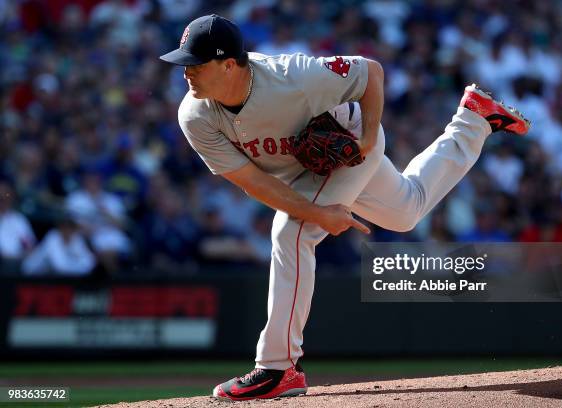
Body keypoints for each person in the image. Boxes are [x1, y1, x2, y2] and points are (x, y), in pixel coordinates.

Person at [159, 14, 530, 401]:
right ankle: (475, 119)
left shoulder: (293, 76)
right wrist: (321, 213)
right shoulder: (196, 115)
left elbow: (370, 73)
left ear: (229, 64)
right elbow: (253, 182)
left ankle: (278, 367)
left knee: (291, 232)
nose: (187, 73)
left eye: (196, 64)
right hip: (306, 172)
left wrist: (370, 135)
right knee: (406, 211)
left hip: (351, 143)